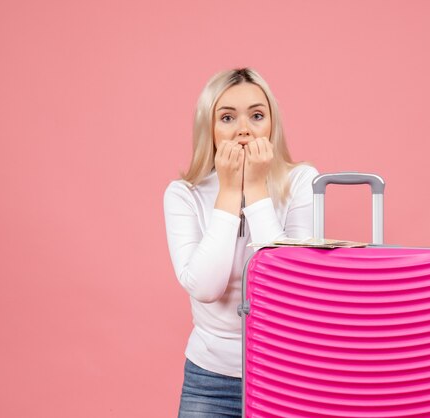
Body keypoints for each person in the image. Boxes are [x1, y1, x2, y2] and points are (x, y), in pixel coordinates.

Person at [163, 67, 319, 417]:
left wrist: (257, 189)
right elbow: (205, 287)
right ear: (210, 129)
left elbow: (287, 289)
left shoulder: (302, 182)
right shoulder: (183, 194)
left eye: (257, 115)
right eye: (228, 117)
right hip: (210, 381)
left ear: (272, 126)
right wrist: (230, 192)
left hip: (288, 375)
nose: (244, 129)